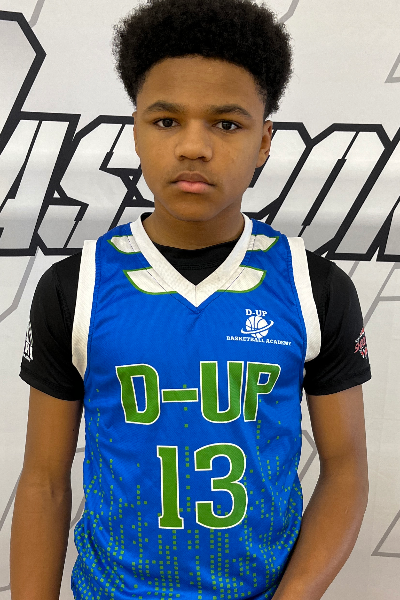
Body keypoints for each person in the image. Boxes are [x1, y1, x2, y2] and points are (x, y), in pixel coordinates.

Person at [10, 0, 371, 598]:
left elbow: (347, 469)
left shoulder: (314, 286)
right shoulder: (76, 287)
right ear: (135, 131)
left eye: (226, 125)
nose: (193, 147)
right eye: (167, 121)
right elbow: (45, 481)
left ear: (264, 142)